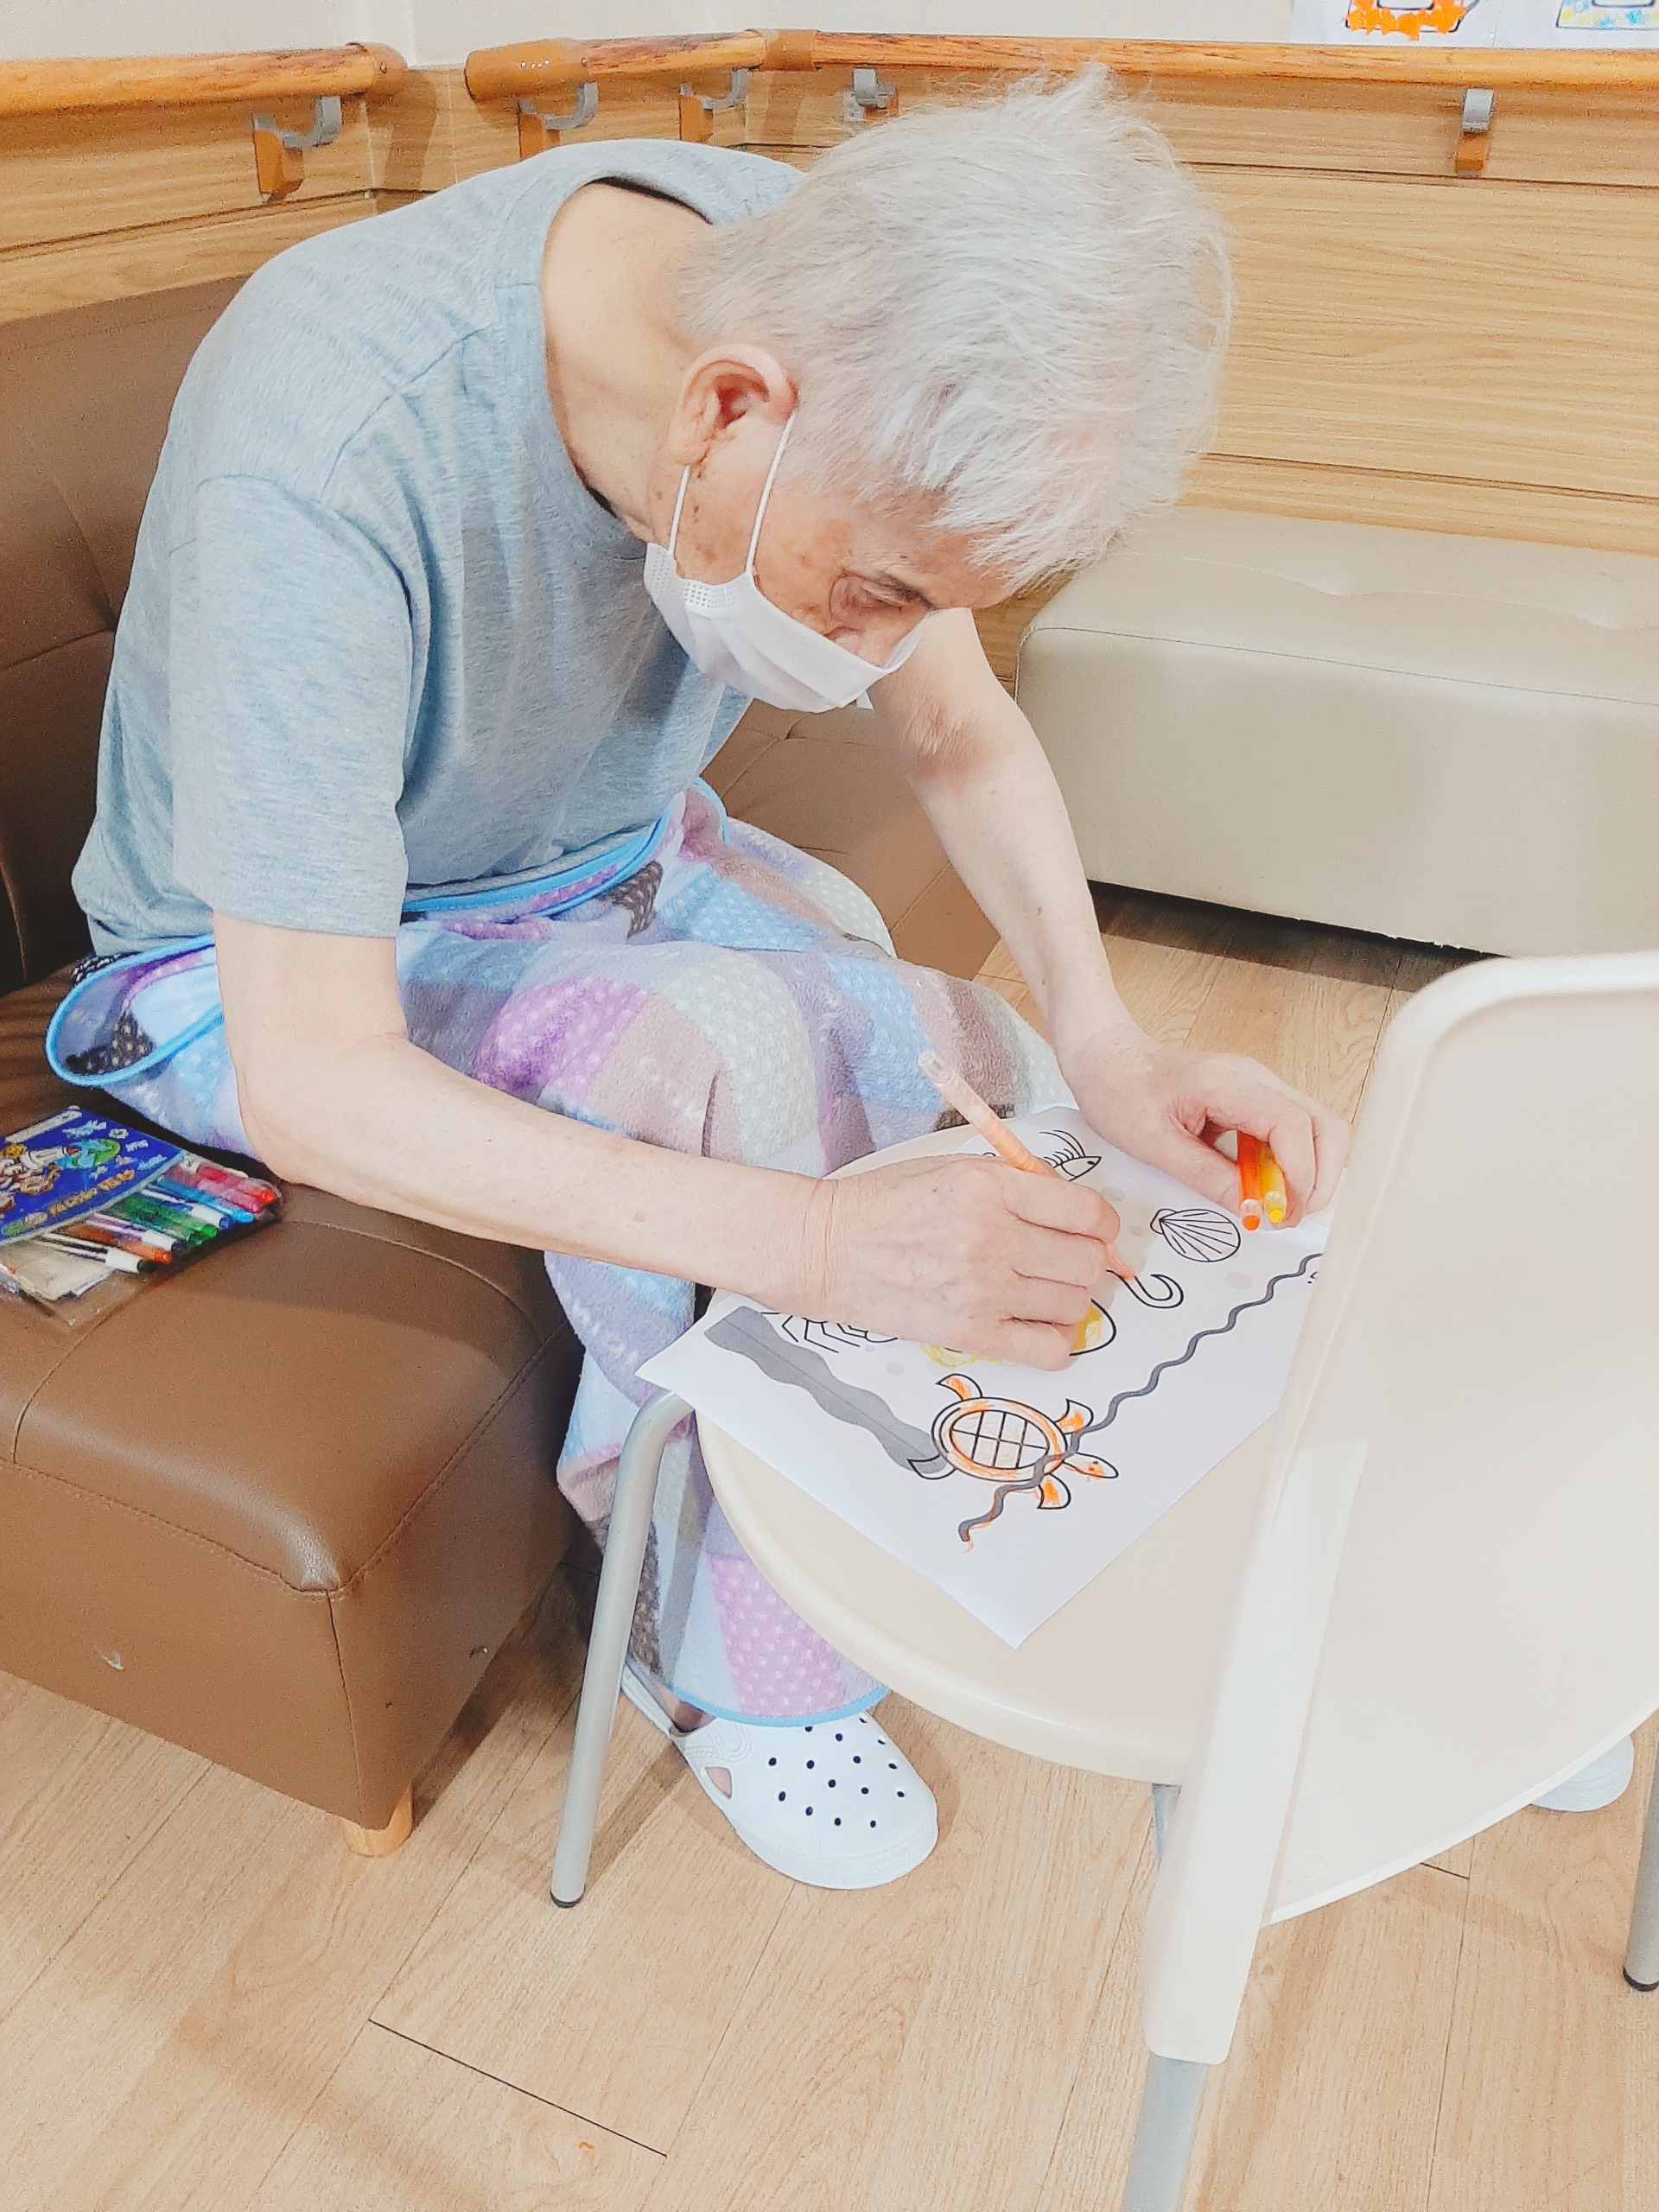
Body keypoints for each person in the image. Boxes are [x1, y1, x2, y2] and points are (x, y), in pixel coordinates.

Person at [57, 73, 1356, 1891]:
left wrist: (1106, 1036)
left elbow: (957, 731)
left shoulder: (819, 282)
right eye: (873, 590)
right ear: (727, 405)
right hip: (253, 961)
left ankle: (963, 1478)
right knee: (736, 1061)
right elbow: (314, 1075)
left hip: (605, 861)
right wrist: (814, 1244)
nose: (881, 649)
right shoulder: (335, 437)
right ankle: (729, 1656)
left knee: (971, 1052)